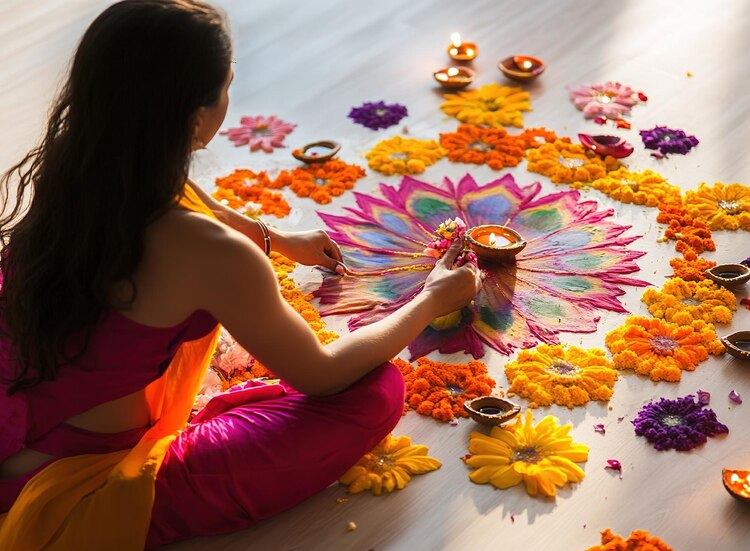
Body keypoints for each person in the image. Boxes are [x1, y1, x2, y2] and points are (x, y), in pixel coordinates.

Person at [0, 0, 481, 548]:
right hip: (71, 483)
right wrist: (427, 299)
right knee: (375, 393)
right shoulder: (213, 254)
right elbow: (321, 376)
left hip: (17, 404)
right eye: (226, 85)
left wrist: (279, 240)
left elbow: (202, 205)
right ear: (196, 117)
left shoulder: (80, 163)